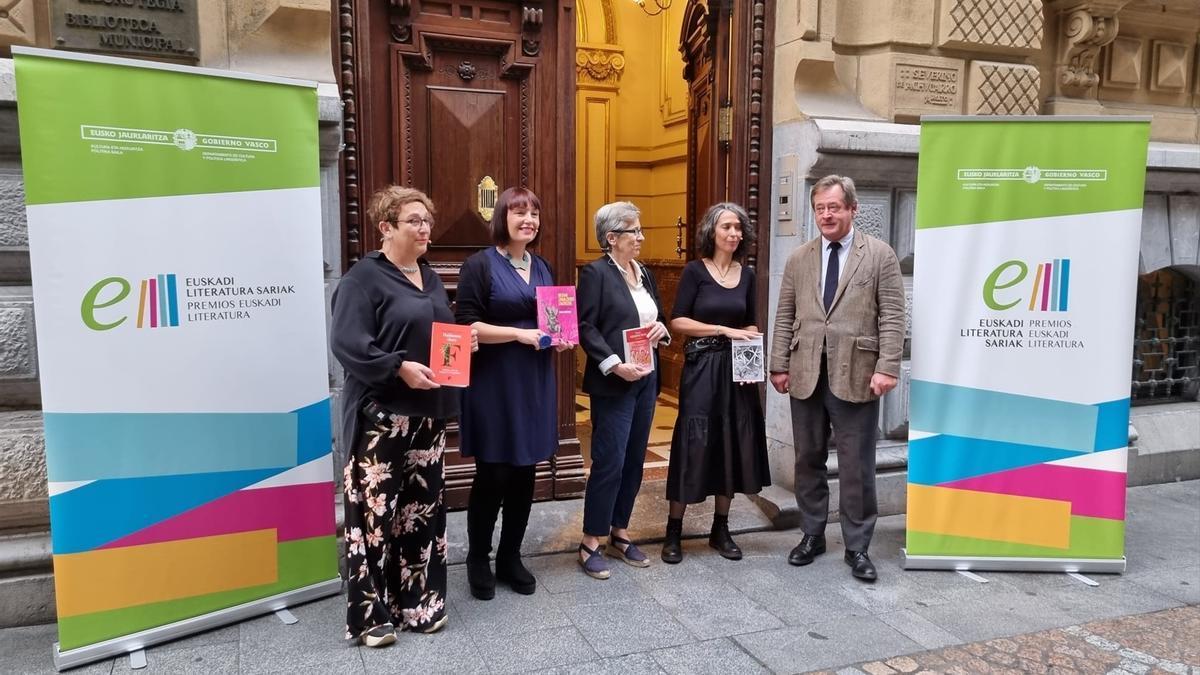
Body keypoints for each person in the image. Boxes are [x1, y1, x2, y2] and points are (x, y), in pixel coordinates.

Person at [331, 185, 478, 646]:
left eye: (427, 221)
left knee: (421, 514)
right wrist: (398, 368)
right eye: (414, 220)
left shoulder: (429, 276)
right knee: (374, 517)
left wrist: (462, 344)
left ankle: (417, 603)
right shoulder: (363, 279)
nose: (425, 228)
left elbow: (438, 333)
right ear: (386, 227)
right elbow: (348, 343)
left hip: (428, 415)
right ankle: (371, 616)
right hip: (382, 415)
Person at [768, 175, 904, 582]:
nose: (827, 215)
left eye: (835, 207)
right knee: (807, 459)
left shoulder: (879, 255)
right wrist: (778, 364)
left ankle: (858, 545)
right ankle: (812, 535)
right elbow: (785, 313)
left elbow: (894, 316)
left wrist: (887, 366)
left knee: (856, 466)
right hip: (806, 372)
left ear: (853, 209)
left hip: (858, 374)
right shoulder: (799, 258)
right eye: (821, 208)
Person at [455, 187, 571, 600]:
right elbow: (467, 326)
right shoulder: (478, 266)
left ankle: (510, 556)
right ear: (502, 216)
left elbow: (554, 323)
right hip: (493, 381)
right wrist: (520, 335)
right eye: (520, 211)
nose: (529, 220)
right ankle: (477, 559)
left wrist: (559, 340)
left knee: (526, 472)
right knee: (494, 473)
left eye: (535, 213)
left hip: (534, 381)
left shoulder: (543, 266)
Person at [661, 202, 771, 564]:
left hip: (738, 370)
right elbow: (678, 321)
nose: (734, 233)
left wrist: (750, 338)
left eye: (739, 228)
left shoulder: (748, 275)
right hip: (702, 365)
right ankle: (673, 530)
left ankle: (720, 529)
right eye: (727, 227)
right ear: (712, 231)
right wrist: (723, 330)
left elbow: (752, 322)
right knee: (693, 441)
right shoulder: (696, 271)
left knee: (731, 443)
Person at [576, 201, 670, 579]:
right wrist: (614, 364)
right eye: (635, 231)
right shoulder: (596, 274)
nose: (641, 238)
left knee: (634, 459)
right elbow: (586, 327)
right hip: (615, 380)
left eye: (640, 230)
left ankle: (620, 530)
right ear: (612, 237)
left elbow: (657, 316)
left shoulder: (643, 272)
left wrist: (662, 329)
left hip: (646, 377)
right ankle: (590, 540)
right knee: (609, 459)